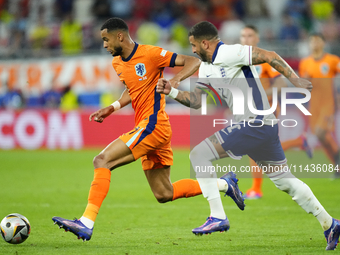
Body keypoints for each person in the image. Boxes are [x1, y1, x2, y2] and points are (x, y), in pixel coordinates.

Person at [52, 18, 245, 241]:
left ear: (120, 36)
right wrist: (113, 107)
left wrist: (175, 81)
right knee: (164, 193)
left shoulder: (150, 54)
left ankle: (86, 222)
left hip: (153, 125)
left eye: (106, 39)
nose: (104, 45)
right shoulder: (118, 63)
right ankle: (224, 183)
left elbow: (193, 61)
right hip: (154, 127)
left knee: (102, 160)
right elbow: (132, 89)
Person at [157, 21, 340, 250]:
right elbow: (196, 101)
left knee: (198, 155)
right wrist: (171, 91)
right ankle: (329, 222)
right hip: (261, 126)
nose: (192, 50)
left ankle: (218, 216)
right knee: (285, 181)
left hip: (255, 122)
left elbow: (269, 55)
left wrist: (294, 80)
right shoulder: (206, 67)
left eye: (194, 45)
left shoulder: (230, 51)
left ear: (205, 42)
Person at [240, 25, 312, 199]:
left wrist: (263, 95)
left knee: (254, 147)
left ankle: (256, 189)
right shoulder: (240, 61)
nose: (246, 39)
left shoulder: (263, 59)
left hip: (267, 109)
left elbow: (280, 84)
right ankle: (298, 142)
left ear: (257, 38)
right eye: (243, 36)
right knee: (266, 150)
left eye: (250, 35)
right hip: (249, 110)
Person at [299, 33, 340, 178]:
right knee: (320, 136)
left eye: (317, 41)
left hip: (328, 103)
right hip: (314, 105)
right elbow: (303, 87)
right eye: (312, 41)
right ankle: (337, 167)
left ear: (323, 43)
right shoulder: (305, 62)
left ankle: (338, 158)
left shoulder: (332, 60)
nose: (315, 44)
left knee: (320, 132)